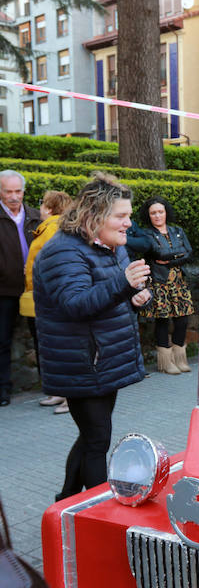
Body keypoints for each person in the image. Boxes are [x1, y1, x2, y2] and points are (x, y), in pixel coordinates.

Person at [33, 173, 151, 500]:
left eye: (129, 215)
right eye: (121, 216)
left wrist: (136, 296)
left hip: (101, 360)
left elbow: (111, 293)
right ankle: (97, 512)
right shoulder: (62, 251)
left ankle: (66, 500)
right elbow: (75, 304)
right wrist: (124, 286)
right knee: (97, 440)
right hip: (81, 362)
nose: (129, 223)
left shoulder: (111, 246)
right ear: (95, 215)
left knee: (90, 437)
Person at [19, 190, 73, 414]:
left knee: (61, 348)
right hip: (44, 295)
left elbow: (53, 263)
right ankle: (61, 393)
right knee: (53, 347)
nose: (39, 207)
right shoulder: (52, 227)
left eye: (42, 204)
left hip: (49, 298)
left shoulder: (52, 229)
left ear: (49, 208)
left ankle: (70, 397)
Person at [138, 196, 194, 375]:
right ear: (148, 215)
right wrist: (177, 257)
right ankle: (165, 361)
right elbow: (158, 252)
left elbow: (189, 252)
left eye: (160, 212)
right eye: (153, 213)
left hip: (178, 280)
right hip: (159, 281)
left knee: (183, 319)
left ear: (166, 212)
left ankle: (180, 358)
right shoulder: (146, 234)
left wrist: (169, 260)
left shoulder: (177, 230)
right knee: (162, 320)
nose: (157, 216)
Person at [0, 170, 41, 407]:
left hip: (34, 290)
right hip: (4, 290)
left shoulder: (36, 217)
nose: (14, 197)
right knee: (2, 340)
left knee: (42, 338)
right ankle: (3, 390)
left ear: (23, 191)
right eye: (8, 191)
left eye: (18, 191)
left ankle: (52, 385)